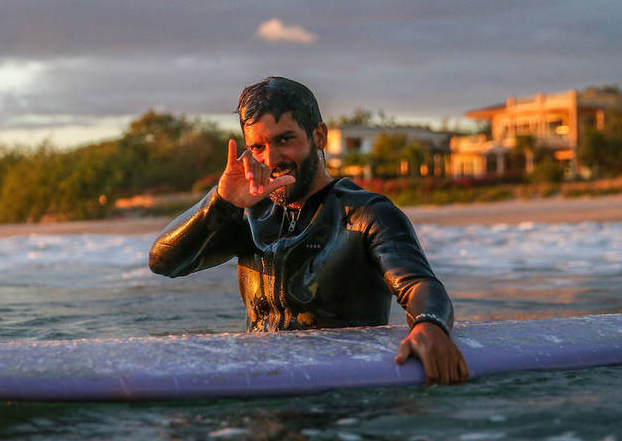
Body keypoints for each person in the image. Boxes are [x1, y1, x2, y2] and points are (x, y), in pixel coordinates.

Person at [149, 77, 467, 384]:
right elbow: (165, 264)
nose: (271, 158)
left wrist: (429, 325)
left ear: (318, 136)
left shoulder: (367, 213)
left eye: (285, 140)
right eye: (257, 147)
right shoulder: (247, 215)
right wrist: (220, 201)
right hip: (265, 384)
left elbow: (419, 284)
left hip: (340, 391)